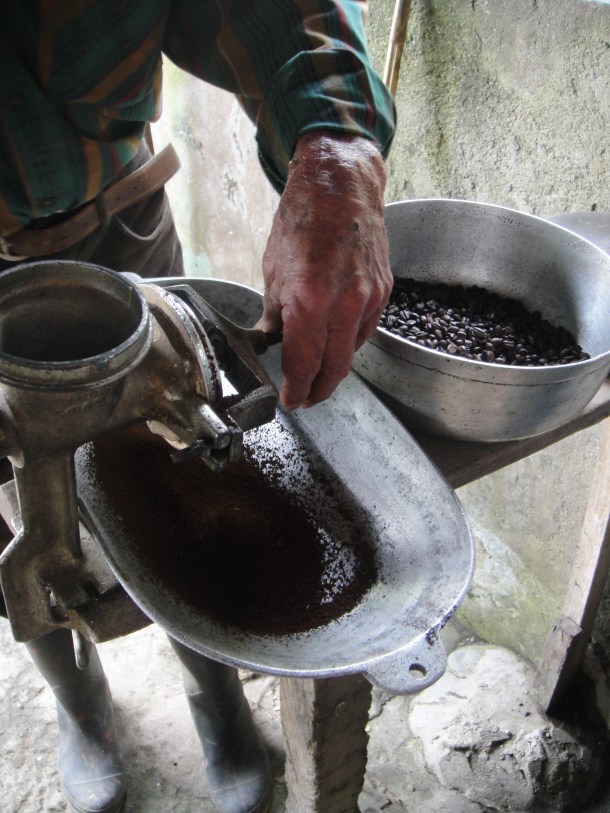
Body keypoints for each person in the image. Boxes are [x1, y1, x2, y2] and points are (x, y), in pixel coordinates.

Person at [0, 3, 396, 813]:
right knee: (18, 524)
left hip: (118, 223)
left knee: (176, 465)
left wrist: (337, 156)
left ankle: (214, 693)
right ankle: (83, 710)